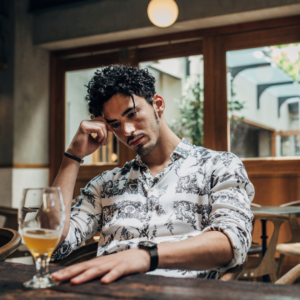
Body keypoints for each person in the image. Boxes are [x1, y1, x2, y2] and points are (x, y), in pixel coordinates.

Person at [50, 65, 254, 285]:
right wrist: (72, 157)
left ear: (158, 104)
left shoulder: (219, 166)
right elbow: (53, 244)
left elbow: (233, 241)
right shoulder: (105, 185)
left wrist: (145, 256)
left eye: (132, 114)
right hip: (106, 293)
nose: (127, 131)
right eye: (115, 124)